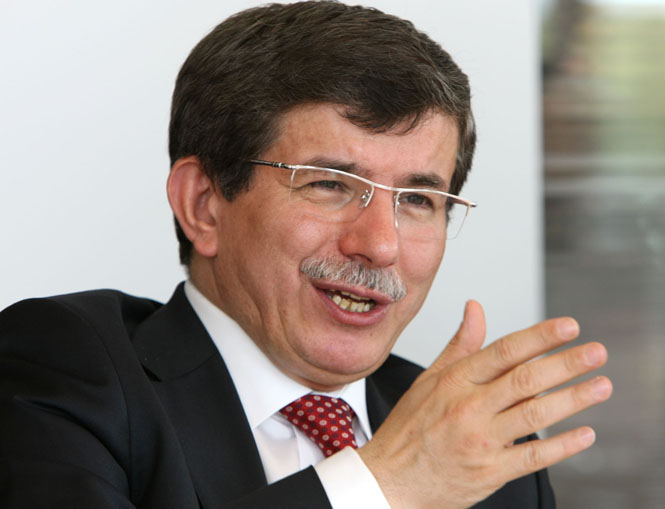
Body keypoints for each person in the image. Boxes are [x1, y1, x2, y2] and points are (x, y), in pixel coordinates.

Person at [0, 2, 612, 507]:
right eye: (329, 185)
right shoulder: (65, 370)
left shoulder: (483, 451)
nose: (380, 245)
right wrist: (383, 484)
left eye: (418, 200)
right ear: (203, 204)